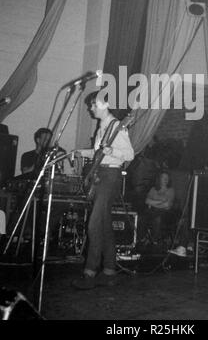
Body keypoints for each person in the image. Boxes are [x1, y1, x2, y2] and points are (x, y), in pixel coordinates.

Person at [72, 91, 134, 290]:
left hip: (111, 177)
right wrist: (80, 152)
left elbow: (130, 154)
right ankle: (109, 268)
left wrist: (113, 151)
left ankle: (90, 270)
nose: (90, 108)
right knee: (105, 224)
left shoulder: (117, 126)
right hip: (100, 175)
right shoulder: (101, 127)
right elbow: (99, 152)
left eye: (92, 105)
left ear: (103, 104)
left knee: (94, 224)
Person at [143, 171, 176, 244]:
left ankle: (155, 239)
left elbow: (167, 205)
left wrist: (153, 202)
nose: (165, 180)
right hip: (153, 211)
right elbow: (147, 201)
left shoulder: (170, 190)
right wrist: (160, 202)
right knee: (142, 216)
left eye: (167, 178)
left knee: (157, 218)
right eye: (163, 178)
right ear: (159, 179)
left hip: (166, 213)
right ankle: (141, 238)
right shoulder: (153, 189)